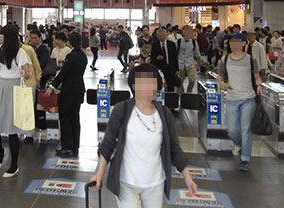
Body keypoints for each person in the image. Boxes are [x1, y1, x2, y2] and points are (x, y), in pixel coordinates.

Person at [89, 63, 198, 207]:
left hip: (155, 183)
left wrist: (187, 177)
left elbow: (174, 148)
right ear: (134, 85)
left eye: (151, 81)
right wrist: (99, 173)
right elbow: (108, 144)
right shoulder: (122, 110)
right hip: (126, 183)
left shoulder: (165, 114)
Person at [0, 24, 32, 178]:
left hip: (13, 87)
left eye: (3, 34)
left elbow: (28, 73)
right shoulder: (1, 49)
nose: (0, 36)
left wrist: (24, 73)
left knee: (12, 130)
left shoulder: (20, 53)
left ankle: (14, 166)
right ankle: (0, 151)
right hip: (0, 86)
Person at [218, 32, 263, 172]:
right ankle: (238, 144)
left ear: (243, 44)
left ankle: (245, 159)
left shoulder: (250, 59)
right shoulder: (225, 59)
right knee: (232, 129)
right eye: (231, 42)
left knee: (246, 130)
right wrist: (221, 84)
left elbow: (256, 76)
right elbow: (220, 76)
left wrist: (259, 85)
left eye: (236, 42)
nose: (233, 44)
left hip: (248, 98)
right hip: (231, 98)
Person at [45, 31, 87, 157]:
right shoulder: (83, 56)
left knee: (65, 119)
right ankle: (75, 146)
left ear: (70, 41)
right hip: (79, 90)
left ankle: (67, 147)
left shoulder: (71, 56)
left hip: (69, 92)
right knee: (75, 119)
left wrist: (52, 86)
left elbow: (63, 74)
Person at [20, 35, 43, 144]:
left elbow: (36, 64)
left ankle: (29, 134)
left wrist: (38, 78)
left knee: (28, 108)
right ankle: (19, 130)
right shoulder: (10, 50)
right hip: (17, 82)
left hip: (30, 82)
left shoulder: (28, 49)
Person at [151, 28, 179, 93]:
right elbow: (152, 56)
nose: (161, 38)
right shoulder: (155, 44)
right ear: (157, 36)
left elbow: (175, 57)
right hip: (159, 68)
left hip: (170, 67)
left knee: (171, 85)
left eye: (163, 36)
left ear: (166, 35)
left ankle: (170, 100)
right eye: (160, 36)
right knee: (159, 85)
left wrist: (177, 69)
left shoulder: (171, 44)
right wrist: (156, 57)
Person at [176, 25, 201, 93]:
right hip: (180, 64)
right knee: (180, 82)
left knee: (192, 80)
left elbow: (197, 54)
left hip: (190, 64)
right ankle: (181, 94)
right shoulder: (178, 42)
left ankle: (188, 93)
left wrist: (199, 65)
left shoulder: (193, 42)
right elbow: (174, 54)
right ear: (183, 32)